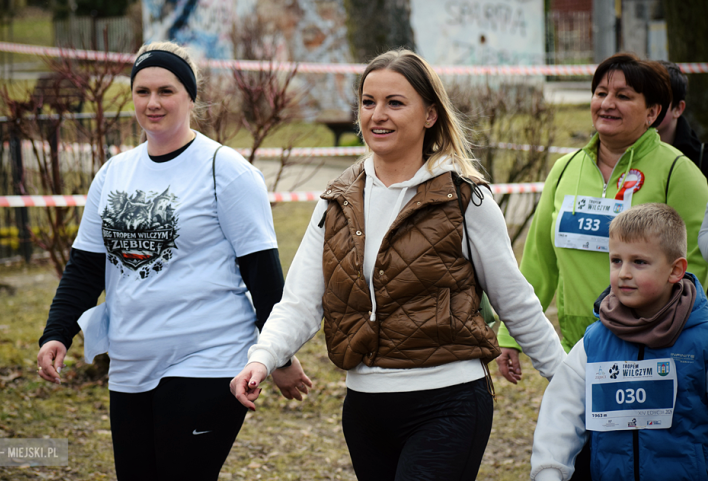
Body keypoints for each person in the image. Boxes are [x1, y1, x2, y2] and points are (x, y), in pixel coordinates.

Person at [230, 49, 567, 481]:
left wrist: (564, 378)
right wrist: (261, 360)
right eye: (368, 102)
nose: (377, 115)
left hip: (449, 403)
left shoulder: (465, 199)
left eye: (395, 102)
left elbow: (515, 301)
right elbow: (299, 303)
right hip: (365, 409)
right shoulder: (336, 202)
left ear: (429, 114)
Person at [36, 41, 311, 481]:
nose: (153, 102)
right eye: (142, 91)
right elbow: (86, 267)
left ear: (190, 97)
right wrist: (58, 332)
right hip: (130, 362)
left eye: (166, 91)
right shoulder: (113, 173)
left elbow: (262, 274)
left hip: (208, 357)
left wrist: (276, 355)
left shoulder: (227, 170)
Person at [496, 53, 708, 386]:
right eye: (601, 93)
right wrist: (510, 334)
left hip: (654, 350)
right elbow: (538, 261)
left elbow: (696, 265)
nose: (607, 103)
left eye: (623, 96)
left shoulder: (678, 173)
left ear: (652, 113)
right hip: (576, 348)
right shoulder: (564, 169)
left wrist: (681, 338)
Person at [530, 203, 708, 481]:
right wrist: (549, 472)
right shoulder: (595, 341)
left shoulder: (702, 340)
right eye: (616, 261)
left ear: (675, 271)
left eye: (639, 262)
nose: (624, 272)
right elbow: (561, 414)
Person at [656, 61, 707, 177]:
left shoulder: (701, 160)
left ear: (678, 108)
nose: (649, 109)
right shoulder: (621, 153)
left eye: (658, 100)